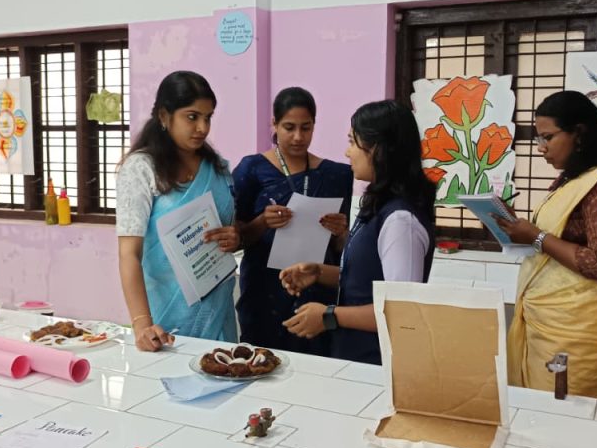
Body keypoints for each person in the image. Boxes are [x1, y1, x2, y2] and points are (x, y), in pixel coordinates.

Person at [495, 90, 597, 402]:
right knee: (539, 409)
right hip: (549, 323)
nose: (541, 148)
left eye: (548, 137)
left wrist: (536, 237)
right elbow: (557, 242)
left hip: (575, 333)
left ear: (579, 133)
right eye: (538, 138)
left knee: (562, 415)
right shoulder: (572, 180)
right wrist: (518, 229)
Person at [278, 100, 436, 364]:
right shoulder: (377, 205)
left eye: (353, 142)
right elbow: (368, 280)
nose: (347, 152)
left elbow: (401, 311)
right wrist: (319, 273)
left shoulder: (400, 221)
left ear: (378, 149)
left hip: (380, 364)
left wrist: (329, 316)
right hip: (354, 356)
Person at [116, 71, 241, 352]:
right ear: (164, 116)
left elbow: (230, 230)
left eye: (208, 117)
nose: (202, 128)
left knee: (224, 371)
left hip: (218, 311)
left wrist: (235, 238)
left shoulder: (218, 168)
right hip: (164, 320)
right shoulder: (141, 169)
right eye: (192, 117)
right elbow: (129, 254)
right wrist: (142, 325)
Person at [232, 88, 353, 355]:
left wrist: (340, 232)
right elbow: (237, 237)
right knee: (262, 363)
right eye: (289, 127)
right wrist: (262, 222)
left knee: (317, 368)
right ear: (274, 124)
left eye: (305, 128)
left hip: (316, 293)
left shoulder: (336, 175)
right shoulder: (252, 170)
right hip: (264, 292)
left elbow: (342, 249)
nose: (298, 137)